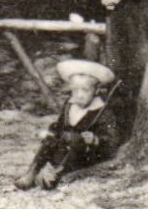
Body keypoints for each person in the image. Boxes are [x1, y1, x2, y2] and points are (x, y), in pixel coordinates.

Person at [14, 59, 122, 190]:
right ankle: (33, 172)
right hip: (63, 149)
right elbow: (59, 125)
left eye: (85, 91)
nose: (79, 95)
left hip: (85, 154)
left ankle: (55, 175)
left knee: (76, 139)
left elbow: (112, 139)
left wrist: (95, 139)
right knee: (49, 140)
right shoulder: (69, 105)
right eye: (75, 91)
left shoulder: (101, 111)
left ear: (95, 91)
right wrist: (52, 133)